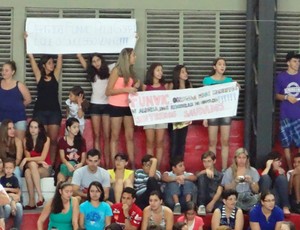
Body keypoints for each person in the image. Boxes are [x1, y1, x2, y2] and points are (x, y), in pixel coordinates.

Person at [25, 32, 63, 165]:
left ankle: (51, 165)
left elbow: (60, 58)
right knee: (42, 139)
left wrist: (60, 42)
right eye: (49, 63)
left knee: (52, 140)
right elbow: (31, 58)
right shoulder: (39, 76)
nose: (52, 65)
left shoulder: (55, 76)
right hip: (40, 111)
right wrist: (27, 40)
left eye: (53, 63)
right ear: (44, 65)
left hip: (54, 111)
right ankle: (41, 162)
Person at [105, 48, 140, 168]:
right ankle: (114, 166)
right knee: (114, 136)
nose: (135, 57)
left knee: (129, 136)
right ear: (127, 57)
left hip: (128, 106)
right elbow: (108, 91)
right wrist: (126, 89)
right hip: (115, 106)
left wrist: (136, 85)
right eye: (133, 55)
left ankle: (132, 165)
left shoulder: (131, 71)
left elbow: (133, 87)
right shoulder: (116, 71)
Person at [77, 53, 111, 167]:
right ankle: (98, 164)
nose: (96, 63)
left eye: (98, 60)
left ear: (102, 60)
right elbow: (80, 58)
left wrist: (133, 42)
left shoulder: (110, 69)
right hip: (95, 105)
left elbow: (124, 61)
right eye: (94, 61)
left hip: (107, 105)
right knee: (96, 135)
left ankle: (107, 164)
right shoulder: (91, 72)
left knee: (106, 136)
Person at [202, 57, 236, 171]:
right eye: (220, 64)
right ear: (214, 67)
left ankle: (224, 169)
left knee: (225, 141)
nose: (222, 66)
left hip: (225, 112)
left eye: (224, 64)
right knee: (212, 142)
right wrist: (205, 117)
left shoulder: (229, 81)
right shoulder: (207, 80)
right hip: (212, 112)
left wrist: (236, 86)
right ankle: (211, 168)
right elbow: (205, 98)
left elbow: (233, 93)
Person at [275, 51, 300, 170]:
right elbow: (276, 95)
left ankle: (298, 168)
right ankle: (290, 169)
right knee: (286, 144)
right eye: (295, 61)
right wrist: (286, 97)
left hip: (299, 115)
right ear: (288, 63)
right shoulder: (281, 77)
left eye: (298, 61)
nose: (297, 63)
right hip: (285, 115)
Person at [20, 118, 51, 209]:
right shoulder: (25, 140)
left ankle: (32, 201)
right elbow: (29, 157)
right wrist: (30, 159)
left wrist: (26, 159)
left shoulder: (46, 139)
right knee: (31, 166)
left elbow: (42, 158)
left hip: (44, 167)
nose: (32, 129)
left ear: (40, 129)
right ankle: (38, 197)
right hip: (33, 165)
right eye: (31, 127)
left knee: (28, 171)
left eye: (35, 127)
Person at [142, 63, 168, 169]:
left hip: (161, 116)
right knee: (150, 142)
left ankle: (157, 168)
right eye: (158, 70)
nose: (160, 73)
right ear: (152, 72)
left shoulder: (165, 86)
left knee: (160, 142)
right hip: (149, 117)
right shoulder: (145, 86)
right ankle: (149, 167)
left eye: (161, 70)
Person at [0, 60, 31, 140]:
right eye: (2, 70)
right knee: (2, 143)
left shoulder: (19, 85)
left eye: (6, 70)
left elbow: (28, 100)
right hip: (2, 119)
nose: (3, 72)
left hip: (18, 118)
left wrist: (17, 106)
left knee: (19, 143)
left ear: (13, 72)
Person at [168, 65, 192, 159]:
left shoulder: (188, 85)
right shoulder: (172, 85)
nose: (185, 73)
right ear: (177, 74)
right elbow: (167, 99)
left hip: (185, 117)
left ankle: (180, 164)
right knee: (174, 142)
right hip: (173, 118)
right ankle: (173, 167)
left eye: (186, 71)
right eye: (182, 72)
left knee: (182, 142)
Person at [57, 117, 86, 184]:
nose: (77, 129)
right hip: (65, 165)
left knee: (71, 181)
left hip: (77, 166)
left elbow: (83, 156)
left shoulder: (81, 140)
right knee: (60, 180)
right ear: (68, 128)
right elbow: (62, 157)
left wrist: (80, 164)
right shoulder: (62, 140)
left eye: (78, 127)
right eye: (74, 127)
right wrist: (68, 164)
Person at [197, 151, 223, 215]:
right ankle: (201, 206)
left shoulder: (220, 175)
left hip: (215, 200)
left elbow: (219, 192)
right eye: (204, 161)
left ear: (214, 161)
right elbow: (194, 177)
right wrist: (204, 171)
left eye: (209, 161)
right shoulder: (200, 173)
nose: (206, 164)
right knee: (201, 176)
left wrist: (212, 203)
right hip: (203, 200)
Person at [1, 158, 23, 230]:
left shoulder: (14, 178)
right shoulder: (2, 179)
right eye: (6, 168)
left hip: (13, 198)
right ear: (4, 168)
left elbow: (17, 190)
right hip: (5, 199)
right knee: (7, 207)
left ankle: (16, 227)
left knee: (19, 206)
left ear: (14, 169)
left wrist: (7, 189)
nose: (8, 170)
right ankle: (2, 225)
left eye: (10, 168)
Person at [0, 119, 23, 186]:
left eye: (13, 128)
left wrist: (10, 168)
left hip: (15, 166)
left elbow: (18, 159)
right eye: (9, 128)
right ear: (4, 130)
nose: (13, 130)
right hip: (2, 167)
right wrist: (4, 168)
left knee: (16, 171)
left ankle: (19, 194)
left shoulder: (17, 141)